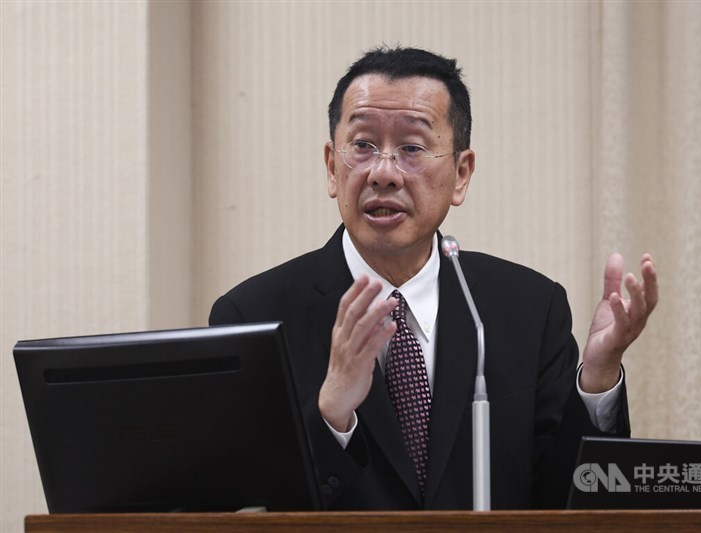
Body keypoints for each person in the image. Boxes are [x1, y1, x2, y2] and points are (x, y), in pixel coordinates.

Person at [209, 46, 658, 510]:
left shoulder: (528, 309)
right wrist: (331, 417)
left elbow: (568, 498)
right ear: (331, 167)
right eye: (363, 146)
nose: (383, 172)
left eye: (412, 148)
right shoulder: (254, 318)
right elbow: (239, 505)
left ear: (461, 174)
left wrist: (600, 377)